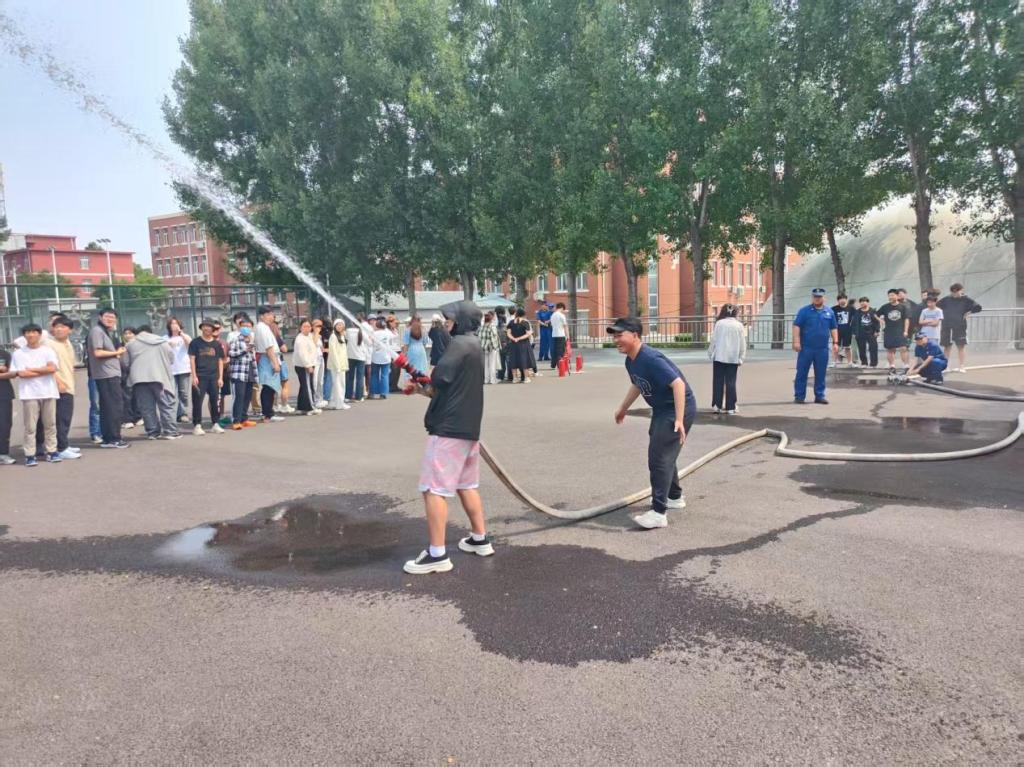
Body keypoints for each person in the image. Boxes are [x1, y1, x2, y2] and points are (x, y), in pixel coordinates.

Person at [404, 300, 492, 575]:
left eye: (451, 318)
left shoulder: (459, 344)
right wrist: (420, 389)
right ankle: (480, 539)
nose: (446, 322)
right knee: (467, 484)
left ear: (463, 320)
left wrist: (421, 380)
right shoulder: (473, 345)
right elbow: (443, 388)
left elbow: (438, 379)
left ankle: (437, 554)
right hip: (467, 429)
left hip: (448, 430)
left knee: (433, 489)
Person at [610, 317, 697, 529]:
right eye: (614, 336)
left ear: (635, 335)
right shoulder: (631, 360)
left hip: (675, 408)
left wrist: (679, 419)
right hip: (661, 409)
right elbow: (638, 385)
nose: (616, 340)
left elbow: (678, 384)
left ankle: (659, 513)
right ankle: (674, 497)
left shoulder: (649, 358)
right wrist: (623, 408)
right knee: (664, 453)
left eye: (620, 335)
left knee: (659, 459)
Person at [10, 323, 61, 466]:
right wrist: (43, 370)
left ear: (39, 334)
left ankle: (52, 451)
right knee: (30, 427)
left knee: (50, 424)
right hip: (29, 394)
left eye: (34, 332)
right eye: (28, 332)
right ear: (24, 335)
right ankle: (30, 454)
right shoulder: (19, 354)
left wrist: (32, 369)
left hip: (48, 392)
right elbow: (22, 374)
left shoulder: (47, 351)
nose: (31, 335)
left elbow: (52, 368)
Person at [126, 324, 181, 440]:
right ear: (151, 332)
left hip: (139, 379)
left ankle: (153, 432)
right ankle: (170, 431)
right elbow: (171, 358)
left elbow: (125, 362)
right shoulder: (162, 342)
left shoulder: (130, 344)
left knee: (146, 407)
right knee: (166, 405)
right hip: (160, 378)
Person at [39, 316, 81, 459]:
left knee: (65, 418)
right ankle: (60, 448)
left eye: (62, 327)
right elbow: (47, 366)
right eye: (56, 327)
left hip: (68, 385)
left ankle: (64, 444)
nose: (59, 329)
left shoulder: (67, 343)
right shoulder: (48, 344)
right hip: (58, 387)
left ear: (70, 330)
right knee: (60, 419)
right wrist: (58, 382)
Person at [88, 307, 129, 449]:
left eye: (112, 317)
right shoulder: (97, 331)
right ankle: (114, 438)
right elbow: (98, 352)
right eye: (107, 316)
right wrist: (116, 352)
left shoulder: (106, 332)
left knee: (108, 407)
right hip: (106, 375)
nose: (110, 319)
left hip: (109, 374)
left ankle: (108, 438)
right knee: (114, 407)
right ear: (100, 317)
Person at [792, 288, 839, 405]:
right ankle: (799, 396)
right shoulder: (804, 311)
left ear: (824, 298)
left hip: (822, 349)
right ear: (812, 298)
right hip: (806, 348)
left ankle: (819, 395)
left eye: (819, 297)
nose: (817, 299)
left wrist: (835, 342)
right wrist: (796, 342)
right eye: (815, 297)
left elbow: (833, 327)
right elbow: (797, 326)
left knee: (821, 373)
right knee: (802, 372)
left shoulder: (829, 312)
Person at [189, 318, 226, 435]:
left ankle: (215, 423)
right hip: (200, 376)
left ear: (213, 329)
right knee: (197, 401)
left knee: (215, 401)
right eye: (204, 326)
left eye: (209, 326)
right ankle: (197, 425)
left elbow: (220, 361)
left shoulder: (217, 344)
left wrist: (220, 377)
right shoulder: (195, 342)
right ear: (201, 328)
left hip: (214, 376)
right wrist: (194, 376)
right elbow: (192, 359)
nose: (207, 328)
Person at [707, 304, 746, 414]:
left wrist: (710, 353)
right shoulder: (739, 325)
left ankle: (717, 405)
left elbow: (714, 340)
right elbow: (743, 343)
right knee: (731, 382)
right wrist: (741, 357)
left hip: (719, 356)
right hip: (733, 358)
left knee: (718, 381)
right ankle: (731, 407)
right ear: (735, 313)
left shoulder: (719, 324)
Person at [937, 283, 982, 373]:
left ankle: (961, 366)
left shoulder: (966, 299)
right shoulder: (946, 299)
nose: (955, 293)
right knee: (947, 346)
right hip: (947, 326)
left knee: (961, 346)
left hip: (960, 326)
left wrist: (969, 312)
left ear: (961, 290)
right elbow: (937, 306)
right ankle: (945, 366)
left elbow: (978, 307)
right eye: (953, 292)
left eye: (957, 291)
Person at [254, 306, 285, 423]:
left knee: (270, 387)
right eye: (269, 314)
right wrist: (275, 363)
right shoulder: (262, 328)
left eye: (272, 314)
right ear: (262, 316)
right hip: (267, 358)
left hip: (269, 358)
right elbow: (269, 347)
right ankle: (268, 414)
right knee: (268, 387)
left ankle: (268, 412)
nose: (272, 316)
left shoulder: (264, 327)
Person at [227, 320, 259, 429]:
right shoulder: (235, 340)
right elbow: (231, 353)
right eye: (244, 326)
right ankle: (236, 420)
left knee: (247, 396)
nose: (246, 328)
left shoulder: (252, 339)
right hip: (238, 372)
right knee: (239, 396)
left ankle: (244, 418)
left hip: (250, 370)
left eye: (249, 326)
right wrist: (244, 350)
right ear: (240, 327)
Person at [165, 317, 193, 423]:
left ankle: (182, 413)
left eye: (176, 323)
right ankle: (171, 414)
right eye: (172, 323)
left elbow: (190, 343)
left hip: (184, 368)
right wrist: (168, 345)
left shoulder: (184, 336)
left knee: (184, 393)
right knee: (171, 393)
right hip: (170, 369)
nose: (174, 325)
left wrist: (181, 333)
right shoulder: (165, 338)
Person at [293, 319, 323, 415]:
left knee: (304, 387)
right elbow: (303, 354)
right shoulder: (300, 339)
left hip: (308, 364)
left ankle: (301, 407)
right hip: (303, 366)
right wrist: (308, 365)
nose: (307, 328)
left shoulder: (309, 336)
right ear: (300, 328)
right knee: (308, 387)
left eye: (309, 326)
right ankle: (311, 407)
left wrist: (316, 332)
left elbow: (316, 344)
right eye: (304, 326)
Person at [877, 288, 910, 374]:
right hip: (889, 331)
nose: (890, 297)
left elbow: (906, 319)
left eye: (892, 295)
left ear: (897, 296)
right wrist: (881, 321)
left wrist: (906, 331)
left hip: (900, 331)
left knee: (903, 348)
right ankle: (892, 366)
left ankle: (906, 366)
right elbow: (875, 314)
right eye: (889, 296)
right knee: (890, 349)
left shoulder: (903, 307)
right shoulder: (885, 307)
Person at [369, 317, 397, 399]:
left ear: (377, 326)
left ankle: (372, 393)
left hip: (375, 357)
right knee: (385, 375)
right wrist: (393, 329)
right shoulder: (387, 333)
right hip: (386, 357)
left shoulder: (374, 333)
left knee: (374, 375)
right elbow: (395, 335)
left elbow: (370, 342)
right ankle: (383, 393)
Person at [326, 319, 351, 410]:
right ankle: (340, 403)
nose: (340, 326)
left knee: (336, 384)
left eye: (341, 325)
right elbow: (333, 352)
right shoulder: (333, 336)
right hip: (337, 365)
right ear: (334, 326)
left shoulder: (341, 336)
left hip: (341, 364)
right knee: (340, 384)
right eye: (338, 325)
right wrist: (337, 366)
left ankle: (333, 402)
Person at [344, 314, 368, 402]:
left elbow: (345, 338)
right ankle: (359, 396)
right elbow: (369, 343)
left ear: (352, 323)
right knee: (360, 377)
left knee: (349, 377)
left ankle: (348, 396)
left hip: (350, 356)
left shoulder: (348, 331)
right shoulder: (362, 332)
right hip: (361, 357)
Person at [505, 308, 532, 383]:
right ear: (523, 314)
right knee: (524, 360)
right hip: (524, 344)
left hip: (513, 344)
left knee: (514, 360)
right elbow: (528, 334)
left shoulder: (511, 322)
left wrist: (514, 338)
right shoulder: (525, 322)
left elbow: (508, 333)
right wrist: (519, 338)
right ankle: (526, 378)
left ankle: (515, 378)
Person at [854, 297, 880, 368]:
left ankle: (873, 364)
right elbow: (854, 323)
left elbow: (877, 322)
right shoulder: (857, 312)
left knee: (873, 348)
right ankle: (864, 363)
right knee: (861, 349)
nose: (862, 303)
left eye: (864, 301)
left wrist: (877, 330)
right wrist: (854, 333)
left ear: (868, 302)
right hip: (860, 333)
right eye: (861, 302)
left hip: (871, 332)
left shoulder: (873, 311)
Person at [0, 346, 16, 465]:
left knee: (4, 425)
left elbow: (13, 373)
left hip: (3, 393)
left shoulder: (4, 354)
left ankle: (3, 453)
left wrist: (6, 371)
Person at [830, 294, 854, 367]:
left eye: (843, 298)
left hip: (847, 330)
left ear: (846, 299)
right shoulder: (833, 309)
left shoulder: (851, 308)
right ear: (838, 300)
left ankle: (850, 363)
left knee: (848, 347)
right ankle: (834, 362)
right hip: (836, 331)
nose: (842, 300)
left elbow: (857, 318)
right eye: (840, 299)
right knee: (835, 346)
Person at [479, 311, 500, 384]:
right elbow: (493, 337)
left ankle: (486, 379)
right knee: (492, 364)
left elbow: (479, 337)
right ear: (491, 318)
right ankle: (492, 380)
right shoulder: (492, 326)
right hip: (491, 347)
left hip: (483, 348)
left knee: (485, 365)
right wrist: (495, 347)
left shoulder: (482, 327)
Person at [318, 316, 333, 408]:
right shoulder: (329, 334)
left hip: (321, 358)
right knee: (328, 377)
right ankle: (327, 396)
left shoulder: (320, 332)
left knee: (322, 378)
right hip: (328, 358)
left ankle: (322, 395)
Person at [550, 302, 568, 369]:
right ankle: (560, 364)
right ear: (562, 308)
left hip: (554, 334)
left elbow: (551, 325)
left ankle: (553, 365)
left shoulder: (552, 315)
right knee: (560, 351)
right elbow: (565, 326)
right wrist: (567, 336)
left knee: (554, 350)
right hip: (561, 334)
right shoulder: (561, 315)